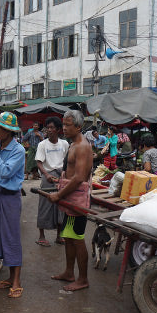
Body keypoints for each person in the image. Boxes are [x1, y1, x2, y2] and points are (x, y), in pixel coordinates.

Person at [48, 110, 93, 292]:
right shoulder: (73, 144)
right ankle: (69, 272)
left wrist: (58, 195)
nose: (63, 128)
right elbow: (72, 173)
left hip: (77, 200)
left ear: (79, 127)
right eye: (63, 125)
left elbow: (80, 177)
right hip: (70, 197)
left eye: (68, 125)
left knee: (77, 238)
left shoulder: (82, 146)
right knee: (68, 236)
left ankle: (82, 279)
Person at [0, 112, 25, 298]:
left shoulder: (18, 150)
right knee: (1, 237)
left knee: (11, 238)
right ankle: (10, 278)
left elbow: (5, 172)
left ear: (8, 132)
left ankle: (16, 280)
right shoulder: (0, 145)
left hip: (10, 198)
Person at [35, 116, 69, 247]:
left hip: (61, 177)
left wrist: (64, 175)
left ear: (58, 130)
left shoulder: (64, 144)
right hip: (47, 177)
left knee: (60, 206)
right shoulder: (42, 144)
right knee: (44, 205)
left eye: (52, 127)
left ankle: (59, 236)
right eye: (47, 127)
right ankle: (41, 236)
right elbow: (39, 162)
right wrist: (46, 174)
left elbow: (66, 161)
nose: (49, 130)